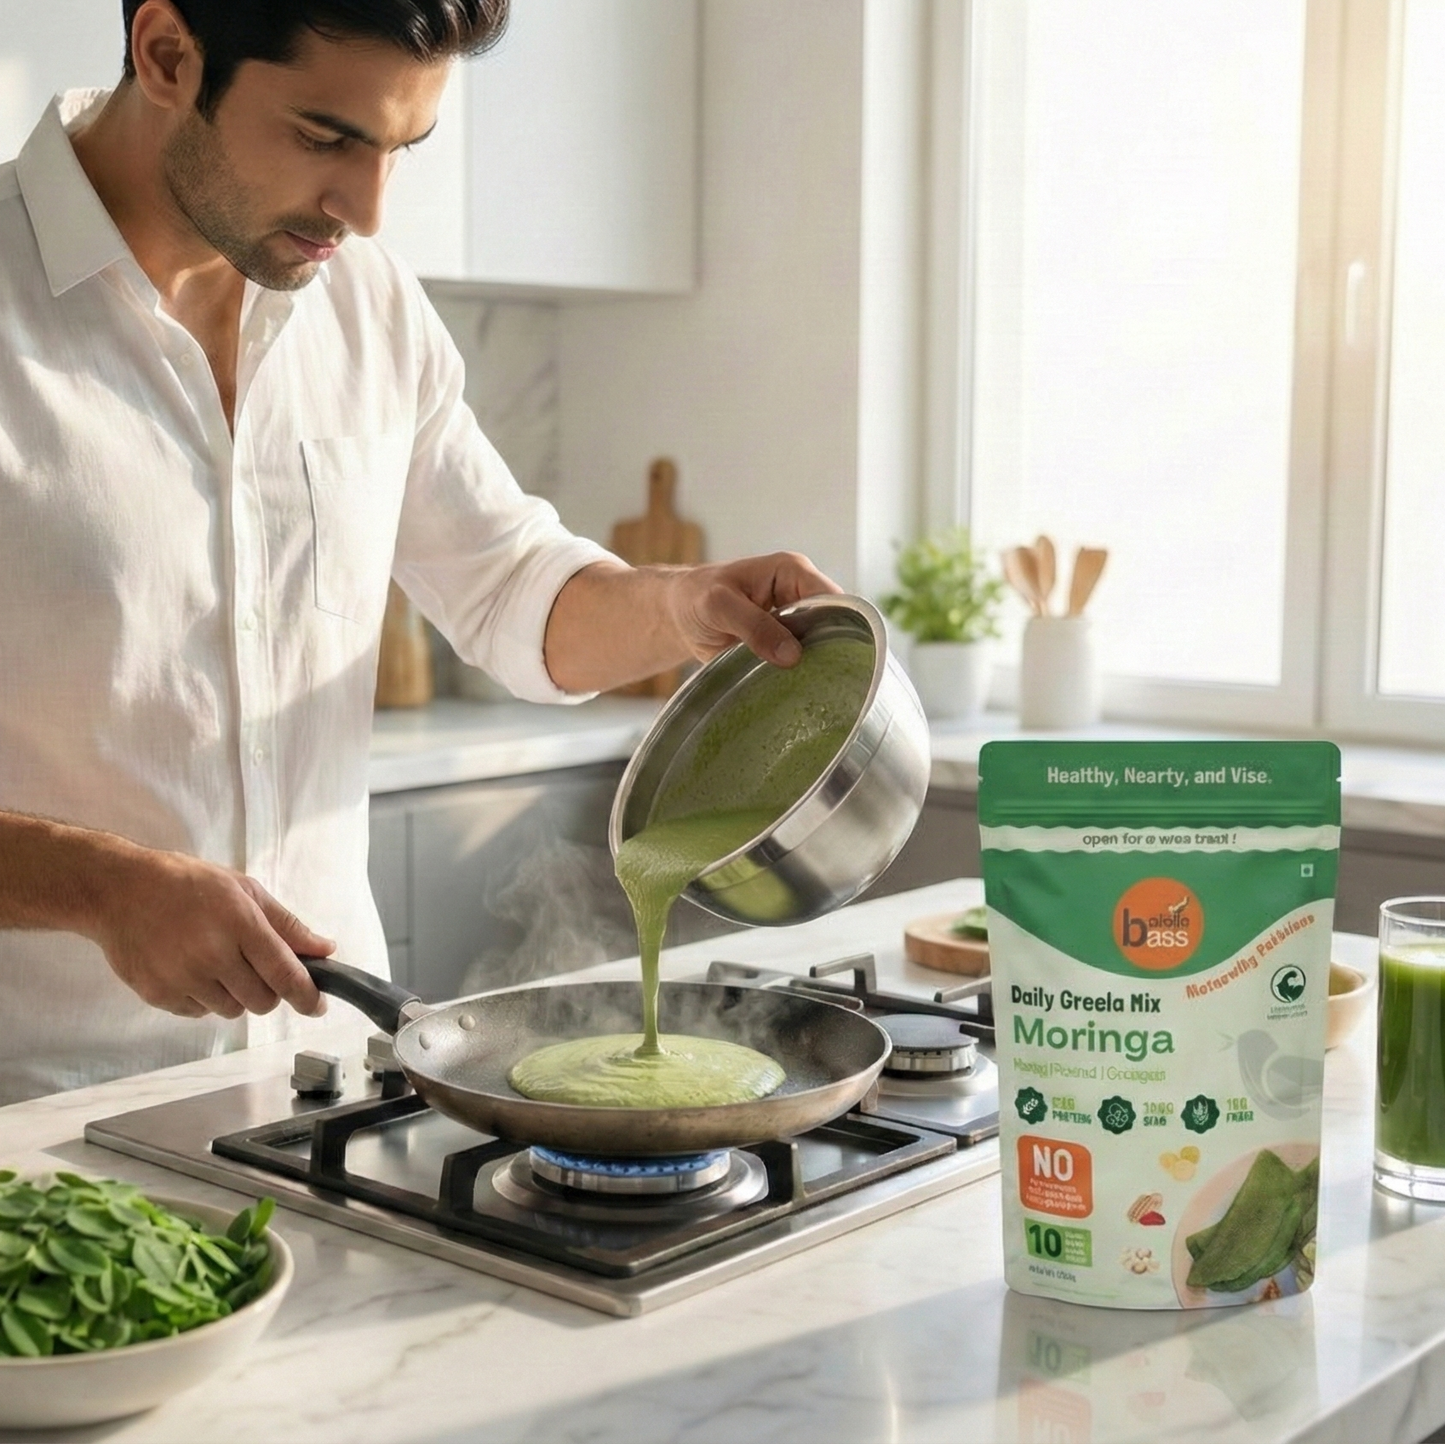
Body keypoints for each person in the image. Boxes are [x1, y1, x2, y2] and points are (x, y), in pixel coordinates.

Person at [0, 0, 838, 1105]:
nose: (369, 208)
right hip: (41, 1122)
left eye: (401, 149)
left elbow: (509, 586)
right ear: (167, 56)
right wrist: (104, 889)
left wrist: (684, 604)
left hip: (334, 1083)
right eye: (325, 136)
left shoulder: (365, 303)